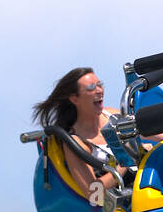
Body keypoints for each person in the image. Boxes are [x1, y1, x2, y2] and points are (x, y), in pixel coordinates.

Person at [32, 68, 128, 202]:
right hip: (126, 201)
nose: (99, 90)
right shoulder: (75, 142)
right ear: (75, 99)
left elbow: (152, 135)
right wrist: (125, 163)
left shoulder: (113, 116)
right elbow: (93, 193)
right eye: (91, 88)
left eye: (100, 85)